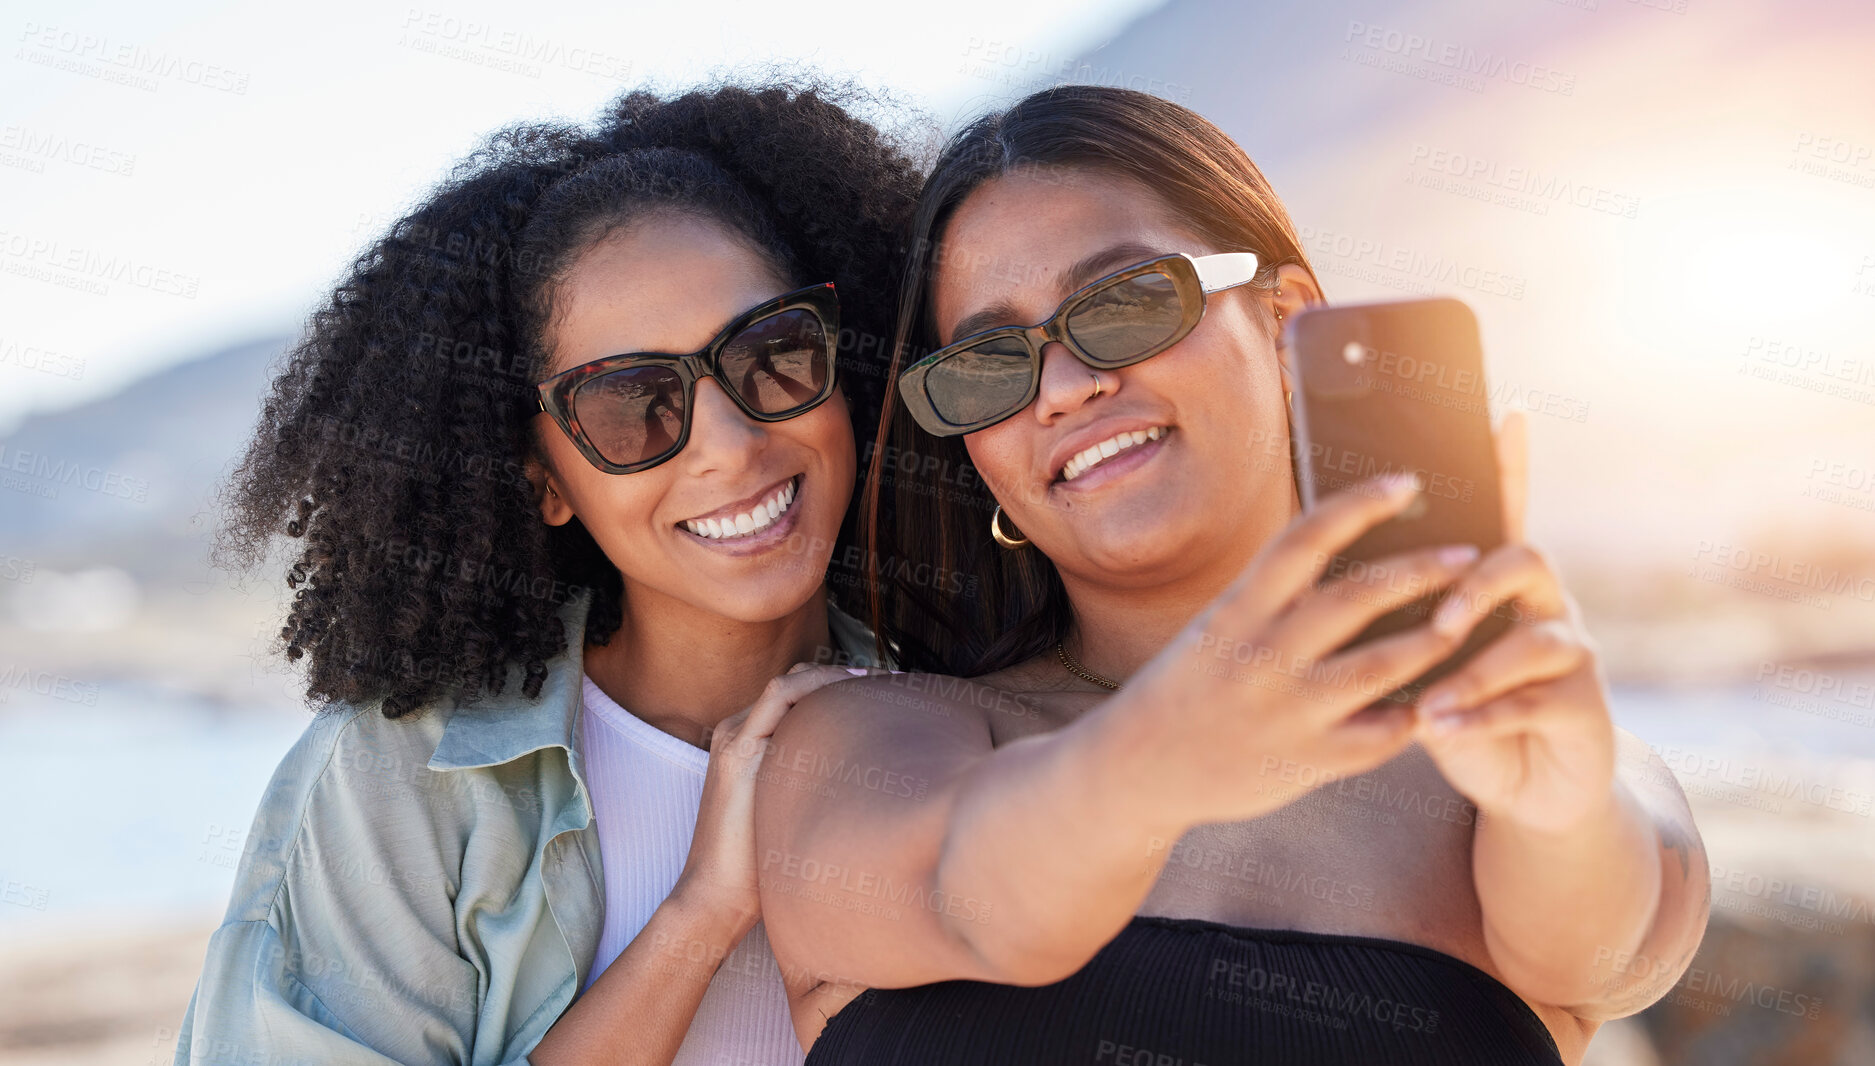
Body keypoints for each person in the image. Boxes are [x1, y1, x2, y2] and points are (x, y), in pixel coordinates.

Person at [755, 85, 1709, 1066]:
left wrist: (1559, 807)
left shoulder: (1517, 765)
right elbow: (973, 901)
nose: (1068, 387)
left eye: (1125, 302)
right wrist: (1163, 754)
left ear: (1288, 319)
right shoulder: (874, 740)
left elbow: (1620, 951)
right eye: (991, 363)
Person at [175, 81, 922, 1065]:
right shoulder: (402, 786)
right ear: (544, 481)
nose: (731, 446)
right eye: (631, 404)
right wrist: (702, 916)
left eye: (771, 352)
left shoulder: (965, 691)